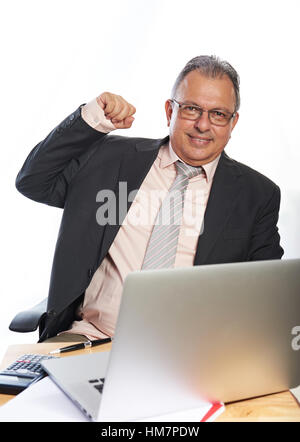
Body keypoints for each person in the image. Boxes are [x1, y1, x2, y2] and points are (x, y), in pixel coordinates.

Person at [15, 55, 284, 342]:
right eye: (192, 109)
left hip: (190, 356)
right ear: (170, 111)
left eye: (218, 114)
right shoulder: (108, 158)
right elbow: (33, 181)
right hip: (90, 340)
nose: (203, 125)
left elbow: (267, 294)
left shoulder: (257, 195)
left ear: (233, 123)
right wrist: (91, 119)